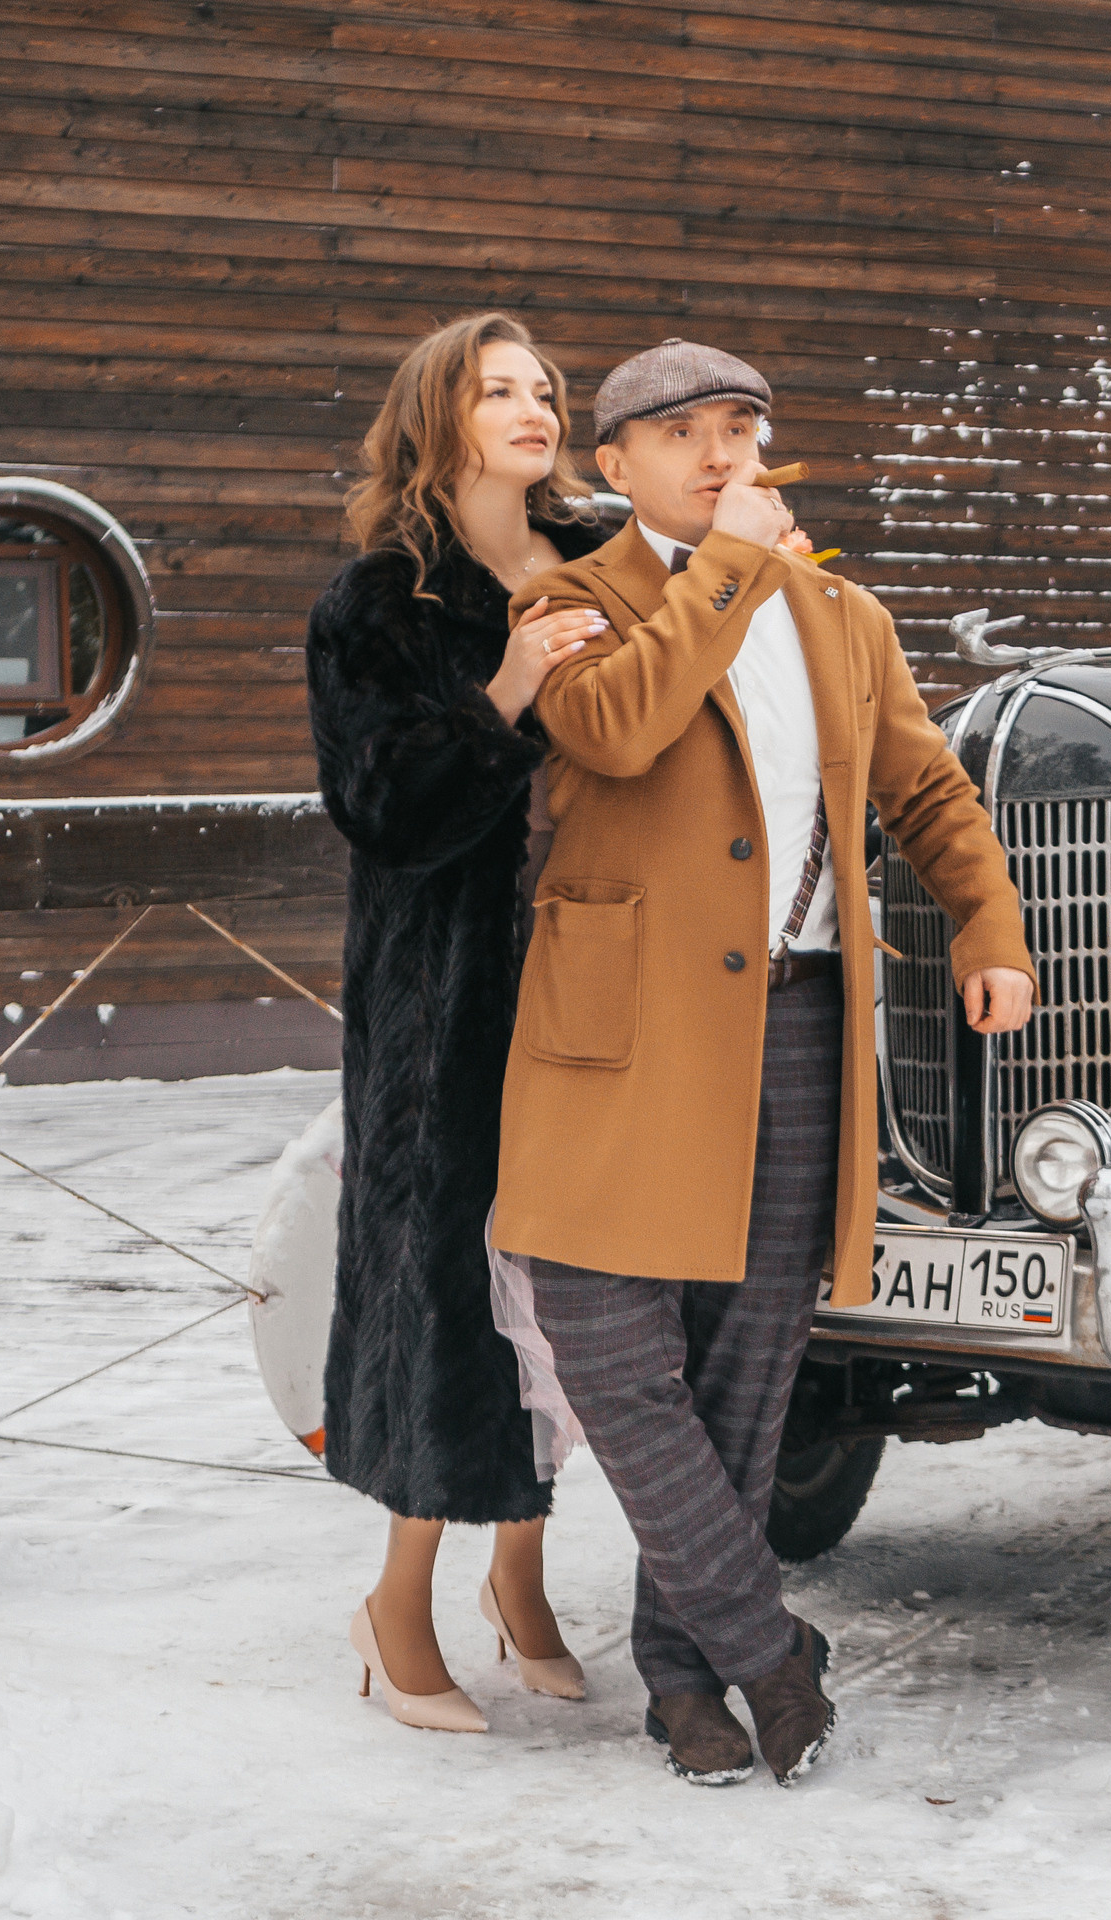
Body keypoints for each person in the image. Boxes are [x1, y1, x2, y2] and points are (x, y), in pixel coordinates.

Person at [489, 340, 1035, 1787]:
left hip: (800, 1016)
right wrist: (722, 570)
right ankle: (768, 1648)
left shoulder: (844, 614)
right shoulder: (572, 600)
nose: (722, 453)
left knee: (748, 1367)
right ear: (615, 465)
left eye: (742, 426)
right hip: (619, 1034)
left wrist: (986, 920)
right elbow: (612, 729)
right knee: (608, 1342)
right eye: (683, 434)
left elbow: (924, 783)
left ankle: (685, 1684)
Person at [304, 312, 604, 1733]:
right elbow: (384, 813)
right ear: (440, 416)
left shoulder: (606, 562)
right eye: (499, 391)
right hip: (450, 997)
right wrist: (507, 693)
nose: (534, 409)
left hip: (605, 981)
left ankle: (526, 1578)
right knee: (442, 1280)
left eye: (545, 389)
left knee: (573, 1292)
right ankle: (400, 1595)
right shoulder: (380, 605)